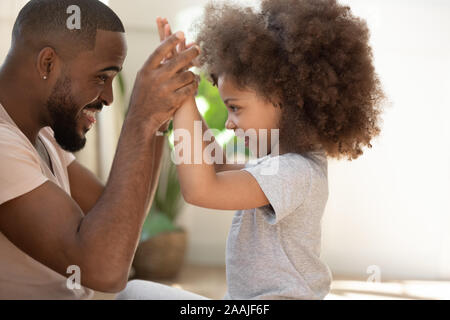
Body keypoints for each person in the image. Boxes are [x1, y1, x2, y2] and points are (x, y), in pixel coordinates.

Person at [119, 0, 385, 300]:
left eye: (235, 108)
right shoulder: (280, 163)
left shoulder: (295, 172)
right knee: (134, 293)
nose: (230, 124)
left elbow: (200, 190)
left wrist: (180, 98)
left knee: (132, 294)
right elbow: (216, 168)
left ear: (282, 97)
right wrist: (186, 92)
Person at [0, 0, 199, 299]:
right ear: (47, 63)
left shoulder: (42, 136)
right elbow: (105, 270)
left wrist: (158, 118)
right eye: (101, 77)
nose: (108, 97)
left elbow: (120, 226)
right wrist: (140, 118)